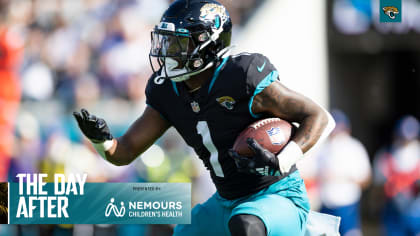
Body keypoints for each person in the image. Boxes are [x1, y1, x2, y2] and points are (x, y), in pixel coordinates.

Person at [73, 0, 335, 235]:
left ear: (208, 43)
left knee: (246, 225)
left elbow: (319, 117)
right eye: (166, 41)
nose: (168, 51)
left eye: (178, 43)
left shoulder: (241, 76)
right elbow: (124, 152)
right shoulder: (167, 90)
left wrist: (281, 159)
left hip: (276, 195)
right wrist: (102, 141)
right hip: (225, 200)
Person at [316, 110, 371, 236]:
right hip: (325, 204)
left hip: (347, 204)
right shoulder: (323, 148)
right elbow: (311, 175)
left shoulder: (354, 147)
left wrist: (342, 178)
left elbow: (366, 180)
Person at [373, 115, 420, 236]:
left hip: (416, 212)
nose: (405, 141)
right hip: (393, 212)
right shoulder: (385, 156)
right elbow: (377, 188)